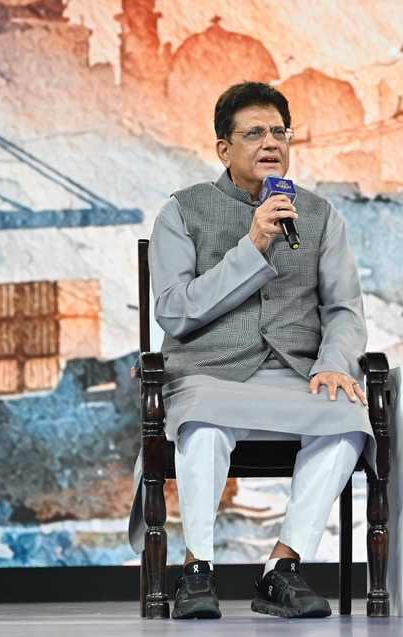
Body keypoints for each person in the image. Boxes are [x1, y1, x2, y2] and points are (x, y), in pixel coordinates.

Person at [143, 81, 375, 619]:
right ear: (223, 149)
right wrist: (253, 246)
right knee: (203, 421)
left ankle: (282, 568)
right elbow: (174, 310)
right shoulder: (182, 211)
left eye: (278, 132)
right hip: (208, 372)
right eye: (254, 133)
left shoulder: (319, 214)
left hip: (295, 373)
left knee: (348, 416)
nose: (271, 142)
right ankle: (197, 570)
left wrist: (334, 364)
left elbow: (344, 309)